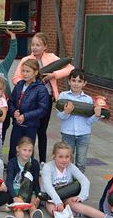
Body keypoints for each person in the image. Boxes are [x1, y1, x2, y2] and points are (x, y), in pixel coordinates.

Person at [13, 32, 74, 163]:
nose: (34, 47)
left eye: (38, 45)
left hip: (46, 99)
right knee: (28, 130)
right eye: (33, 45)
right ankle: (25, 158)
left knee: (41, 131)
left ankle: (41, 161)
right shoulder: (26, 60)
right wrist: (27, 82)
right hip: (29, 100)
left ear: (45, 46)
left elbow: (71, 68)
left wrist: (54, 75)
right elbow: (16, 78)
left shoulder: (51, 58)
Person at [41, 142, 113, 218]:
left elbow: (85, 181)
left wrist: (81, 197)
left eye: (67, 157)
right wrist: (58, 202)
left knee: (76, 205)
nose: (64, 160)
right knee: (53, 210)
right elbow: (48, 187)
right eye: (60, 157)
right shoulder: (47, 167)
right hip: (51, 197)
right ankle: (76, 213)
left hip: (66, 195)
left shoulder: (71, 167)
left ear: (70, 157)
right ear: (54, 156)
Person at [56, 69, 101, 173]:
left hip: (84, 134)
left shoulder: (88, 100)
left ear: (84, 83)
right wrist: (66, 112)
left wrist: (96, 116)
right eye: (73, 80)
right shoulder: (63, 96)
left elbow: (89, 121)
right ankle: (67, 182)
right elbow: (59, 115)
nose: (76, 83)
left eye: (79, 81)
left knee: (81, 162)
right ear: (69, 81)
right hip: (67, 133)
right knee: (66, 160)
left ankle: (78, 184)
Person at [8, 59, 49, 160]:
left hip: (30, 126)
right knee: (14, 148)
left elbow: (43, 109)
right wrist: (13, 112)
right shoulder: (19, 85)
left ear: (35, 72)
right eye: (23, 71)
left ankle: (27, 171)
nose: (24, 74)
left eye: (28, 71)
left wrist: (25, 116)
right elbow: (11, 101)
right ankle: (12, 170)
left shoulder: (41, 89)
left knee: (27, 150)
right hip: (17, 124)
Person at [5, 137, 42, 218]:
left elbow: (36, 183)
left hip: (29, 191)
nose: (27, 153)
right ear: (18, 149)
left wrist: (36, 195)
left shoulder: (34, 163)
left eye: (30, 150)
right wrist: (14, 197)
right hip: (16, 192)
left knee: (32, 206)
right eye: (24, 150)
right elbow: (9, 181)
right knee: (18, 208)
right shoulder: (12, 162)